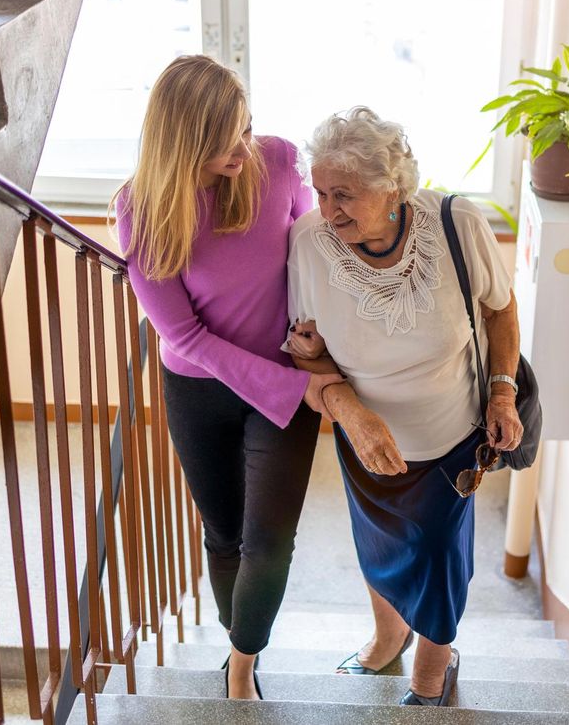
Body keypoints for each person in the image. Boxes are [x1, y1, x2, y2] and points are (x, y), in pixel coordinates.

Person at [114, 55, 343, 700]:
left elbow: (314, 247)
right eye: (226, 142)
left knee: (268, 541)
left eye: (247, 127)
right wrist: (297, 389)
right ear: (184, 143)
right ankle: (238, 634)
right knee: (224, 534)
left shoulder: (275, 160)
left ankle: (242, 663)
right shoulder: (141, 211)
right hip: (200, 389)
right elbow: (183, 336)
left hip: (283, 376)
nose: (245, 147)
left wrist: (315, 337)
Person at [285, 107, 523, 706]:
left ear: (392, 188)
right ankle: (389, 636)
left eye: (345, 193)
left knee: (440, 554)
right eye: (320, 192)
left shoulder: (456, 223)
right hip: (364, 439)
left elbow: (500, 309)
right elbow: (306, 351)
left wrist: (501, 390)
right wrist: (350, 412)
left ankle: (431, 671)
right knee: (381, 546)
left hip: (453, 440)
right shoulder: (309, 243)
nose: (328, 209)